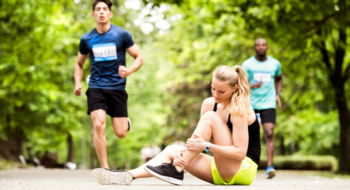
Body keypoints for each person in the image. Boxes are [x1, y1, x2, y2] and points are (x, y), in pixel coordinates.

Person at [91, 65, 261, 186]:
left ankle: (176, 169)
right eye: (213, 88)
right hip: (220, 168)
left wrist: (206, 146)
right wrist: (187, 153)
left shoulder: (239, 109)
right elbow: (199, 142)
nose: (215, 95)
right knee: (172, 150)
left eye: (221, 91)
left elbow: (239, 153)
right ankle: (126, 176)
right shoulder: (210, 103)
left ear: (235, 88)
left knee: (210, 117)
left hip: (242, 170)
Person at [73, 0, 143, 170]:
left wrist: (129, 71)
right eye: (98, 9)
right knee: (98, 125)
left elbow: (139, 57)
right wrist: (78, 83)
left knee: (121, 133)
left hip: (117, 88)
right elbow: (78, 64)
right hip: (96, 86)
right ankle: (104, 169)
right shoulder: (87, 39)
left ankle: (125, 122)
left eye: (105, 9)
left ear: (110, 14)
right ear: (93, 14)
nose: (102, 12)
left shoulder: (121, 35)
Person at [242, 38, 283, 179]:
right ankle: (246, 165)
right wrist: (253, 86)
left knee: (269, 132)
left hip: (268, 103)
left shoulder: (275, 64)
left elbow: (279, 78)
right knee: (248, 135)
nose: (261, 47)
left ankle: (270, 167)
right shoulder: (247, 65)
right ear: (254, 48)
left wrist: (278, 94)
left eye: (263, 45)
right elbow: (240, 84)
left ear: (267, 48)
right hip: (250, 104)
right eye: (258, 45)